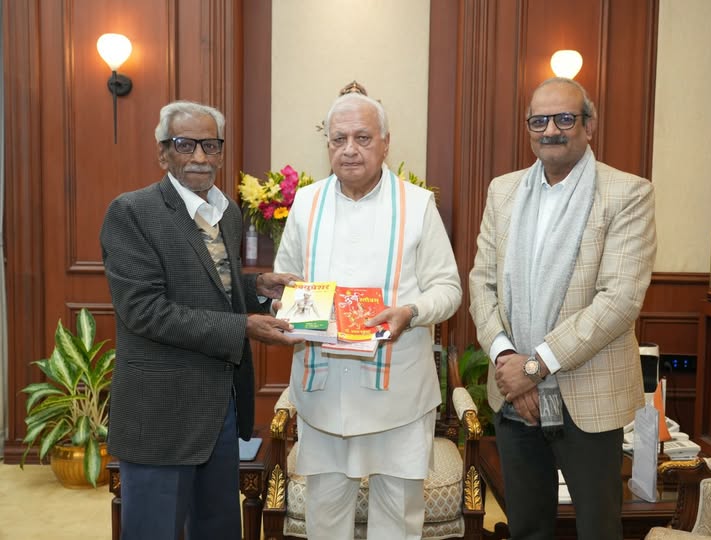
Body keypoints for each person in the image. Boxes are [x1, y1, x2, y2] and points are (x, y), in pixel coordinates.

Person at [100, 100, 304, 540]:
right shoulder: (132, 212)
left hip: (220, 410)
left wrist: (257, 287)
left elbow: (212, 286)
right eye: (185, 144)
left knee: (218, 529)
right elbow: (145, 311)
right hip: (162, 416)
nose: (199, 157)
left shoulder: (226, 212)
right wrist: (245, 327)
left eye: (209, 145)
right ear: (163, 153)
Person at [469, 77, 657, 539]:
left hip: (587, 398)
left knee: (598, 529)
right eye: (539, 120)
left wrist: (534, 366)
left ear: (588, 125)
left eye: (565, 118)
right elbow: (481, 282)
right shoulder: (503, 191)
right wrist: (506, 359)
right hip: (514, 394)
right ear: (529, 127)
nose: (551, 129)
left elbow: (618, 302)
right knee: (527, 527)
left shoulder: (627, 193)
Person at [274, 92, 461, 540]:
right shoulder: (306, 202)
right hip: (324, 391)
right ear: (328, 146)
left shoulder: (418, 205)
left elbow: (449, 290)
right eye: (339, 139)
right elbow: (285, 283)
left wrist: (411, 312)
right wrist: (285, 307)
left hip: (397, 393)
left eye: (362, 137)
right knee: (326, 518)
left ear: (385, 143)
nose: (349, 149)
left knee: (396, 521)